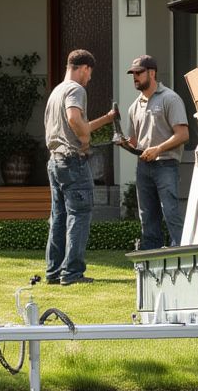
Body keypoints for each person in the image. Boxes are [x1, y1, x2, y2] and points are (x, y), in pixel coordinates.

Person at [43, 49, 116, 285]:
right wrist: (85, 141)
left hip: (55, 161)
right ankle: (72, 273)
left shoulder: (56, 91)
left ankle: (54, 271)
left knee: (59, 217)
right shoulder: (76, 89)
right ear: (83, 68)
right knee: (79, 214)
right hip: (73, 160)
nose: (90, 78)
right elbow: (75, 120)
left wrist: (106, 118)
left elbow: (76, 124)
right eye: (90, 73)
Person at [124, 55, 189, 250]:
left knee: (170, 212)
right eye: (133, 74)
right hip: (143, 167)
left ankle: (179, 252)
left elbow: (183, 134)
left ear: (152, 73)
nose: (135, 77)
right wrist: (123, 143)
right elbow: (134, 142)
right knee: (147, 215)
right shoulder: (134, 107)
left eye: (139, 73)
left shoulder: (170, 98)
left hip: (166, 164)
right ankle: (151, 257)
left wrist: (158, 149)